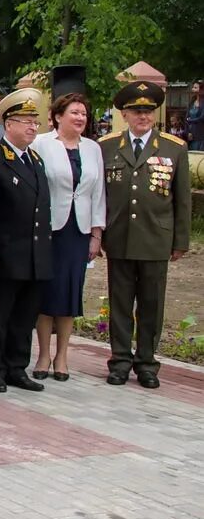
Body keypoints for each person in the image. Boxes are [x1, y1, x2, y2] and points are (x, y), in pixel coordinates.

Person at [99, 80, 191, 388]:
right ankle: (120, 361)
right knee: (120, 303)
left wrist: (180, 241)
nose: (143, 117)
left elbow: (182, 200)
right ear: (124, 114)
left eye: (148, 111)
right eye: (137, 111)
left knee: (152, 305)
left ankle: (147, 363)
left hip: (155, 238)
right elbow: (101, 195)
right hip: (120, 236)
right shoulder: (108, 146)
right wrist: (100, 234)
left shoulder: (173, 148)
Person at [0, 88, 52, 393]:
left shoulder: (35, 159)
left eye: (35, 122)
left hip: (34, 253)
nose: (33, 127)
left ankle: (16, 366)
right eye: (26, 121)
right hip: (4, 254)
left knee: (24, 315)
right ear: (8, 124)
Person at [30, 92, 105, 382]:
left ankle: (62, 356)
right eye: (74, 112)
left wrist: (96, 234)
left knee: (70, 293)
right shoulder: (42, 144)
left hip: (78, 230)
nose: (80, 118)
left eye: (84, 113)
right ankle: (43, 354)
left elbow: (98, 194)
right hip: (49, 229)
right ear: (58, 116)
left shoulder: (92, 149)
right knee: (47, 292)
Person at [186, 81, 204, 152]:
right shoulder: (192, 101)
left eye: (195, 87)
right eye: (193, 87)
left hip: (201, 135)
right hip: (191, 134)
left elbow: (202, 118)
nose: (193, 89)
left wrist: (190, 120)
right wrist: (188, 132)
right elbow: (186, 117)